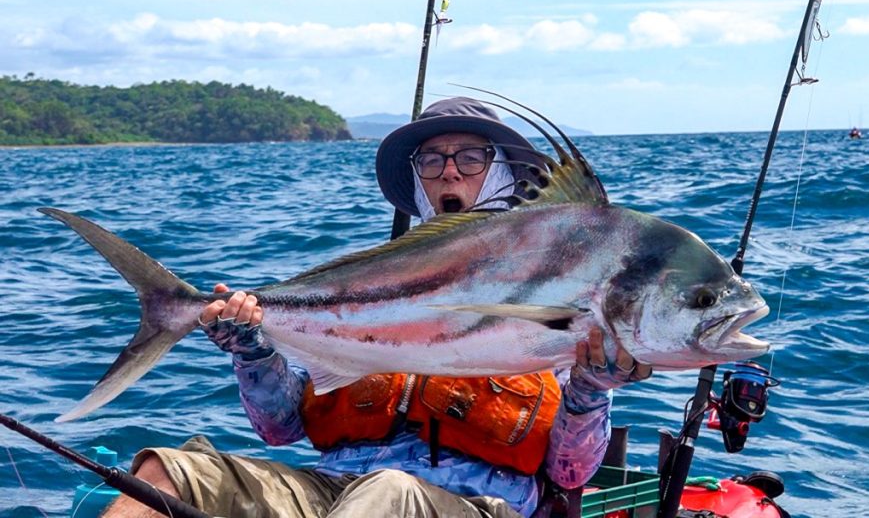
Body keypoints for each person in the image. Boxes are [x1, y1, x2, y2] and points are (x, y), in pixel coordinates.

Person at [103, 97, 652, 518]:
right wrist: (252, 351)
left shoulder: (557, 294)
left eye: (470, 156)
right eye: (432, 160)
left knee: (387, 494)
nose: (450, 172)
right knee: (165, 474)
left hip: (474, 506)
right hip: (334, 492)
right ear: (418, 179)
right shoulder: (363, 288)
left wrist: (588, 389)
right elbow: (280, 427)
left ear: (505, 170)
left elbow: (571, 471)